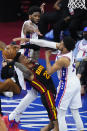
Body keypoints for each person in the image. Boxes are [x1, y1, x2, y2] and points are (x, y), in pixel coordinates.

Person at [13, 36, 84, 131]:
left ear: (65, 48)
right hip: (72, 83)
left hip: (67, 84)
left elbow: (49, 72)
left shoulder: (63, 59)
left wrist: (47, 57)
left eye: (62, 43)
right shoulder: (66, 50)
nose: (59, 44)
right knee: (74, 111)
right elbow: (45, 43)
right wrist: (28, 41)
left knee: (60, 114)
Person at [2, 45, 59, 131]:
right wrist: (13, 63)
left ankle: (13, 119)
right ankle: (11, 119)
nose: (25, 57)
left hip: (51, 91)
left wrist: (22, 46)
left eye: (24, 56)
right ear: (21, 64)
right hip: (46, 93)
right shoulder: (28, 73)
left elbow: (36, 48)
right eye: (23, 58)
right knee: (53, 113)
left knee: (51, 115)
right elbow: (22, 68)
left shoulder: (34, 62)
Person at [73, 27, 87, 95]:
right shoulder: (79, 42)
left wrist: (78, 60)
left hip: (84, 61)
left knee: (83, 63)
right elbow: (74, 52)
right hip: (76, 60)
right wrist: (73, 58)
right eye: (85, 32)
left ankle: (81, 84)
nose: (85, 34)